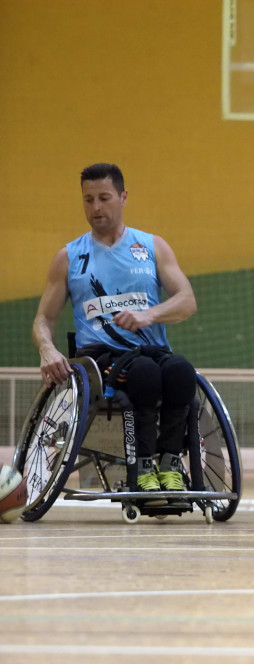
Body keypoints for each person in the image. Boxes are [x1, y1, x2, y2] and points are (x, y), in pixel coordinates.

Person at [32, 163, 197, 504]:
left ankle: (169, 464)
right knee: (146, 376)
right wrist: (47, 350)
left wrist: (149, 314)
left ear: (123, 198)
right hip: (102, 358)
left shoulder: (152, 247)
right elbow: (43, 320)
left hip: (152, 349)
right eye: (88, 199)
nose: (95, 207)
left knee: (181, 372)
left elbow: (186, 301)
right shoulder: (69, 256)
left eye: (104, 198)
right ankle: (145, 466)